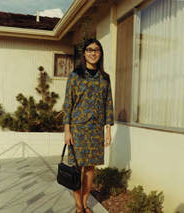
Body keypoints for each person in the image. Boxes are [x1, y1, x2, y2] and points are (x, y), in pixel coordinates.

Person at [63, 38, 114, 213]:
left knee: (90, 169)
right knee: (77, 169)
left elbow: (108, 103)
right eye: (90, 50)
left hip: (96, 130)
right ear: (84, 53)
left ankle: (85, 203)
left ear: (100, 54)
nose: (93, 53)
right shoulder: (75, 76)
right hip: (77, 130)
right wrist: (67, 130)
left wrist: (108, 130)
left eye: (97, 50)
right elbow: (67, 104)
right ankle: (78, 207)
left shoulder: (105, 78)